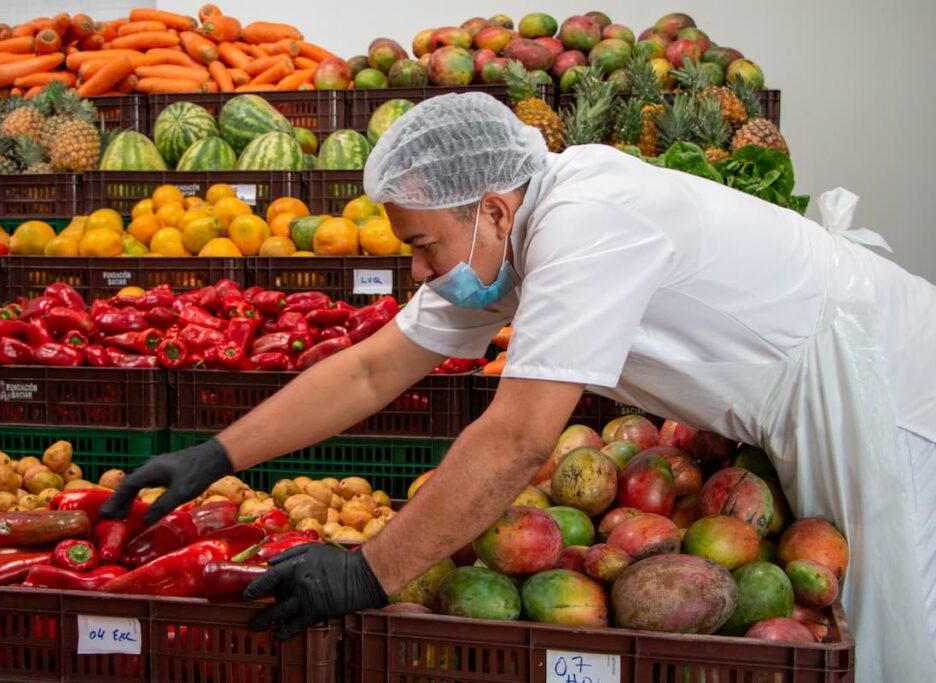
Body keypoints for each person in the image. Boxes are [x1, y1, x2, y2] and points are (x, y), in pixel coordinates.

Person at [102, 92, 936, 680]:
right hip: (802, 396)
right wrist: (216, 454)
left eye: (421, 245)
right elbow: (370, 368)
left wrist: (367, 573)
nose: (418, 270)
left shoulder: (585, 225)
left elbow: (519, 438)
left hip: (879, 383)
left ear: (493, 209)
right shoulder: (505, 232)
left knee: (896, 627)